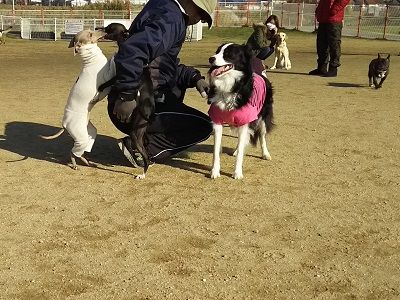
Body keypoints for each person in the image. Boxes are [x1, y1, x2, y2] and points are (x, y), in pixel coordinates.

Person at [108, 0, 217, 167]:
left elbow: (163, 66)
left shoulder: (163, 7)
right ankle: (141, 148)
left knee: (176, 93)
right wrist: (126, 95)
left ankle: (142, 138)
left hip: (140, 96)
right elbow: (133, 51)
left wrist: (195, 78)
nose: (200, 20)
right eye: (201, 14)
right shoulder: (171, 18)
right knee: (204, 126)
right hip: (138, 104)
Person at [308, 0, 350, 77]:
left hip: (333, 19)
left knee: (334, 45)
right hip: (323, 18)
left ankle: (333, 68)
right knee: (321, 44)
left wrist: (334, 9)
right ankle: (321, 68)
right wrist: (319, 10)